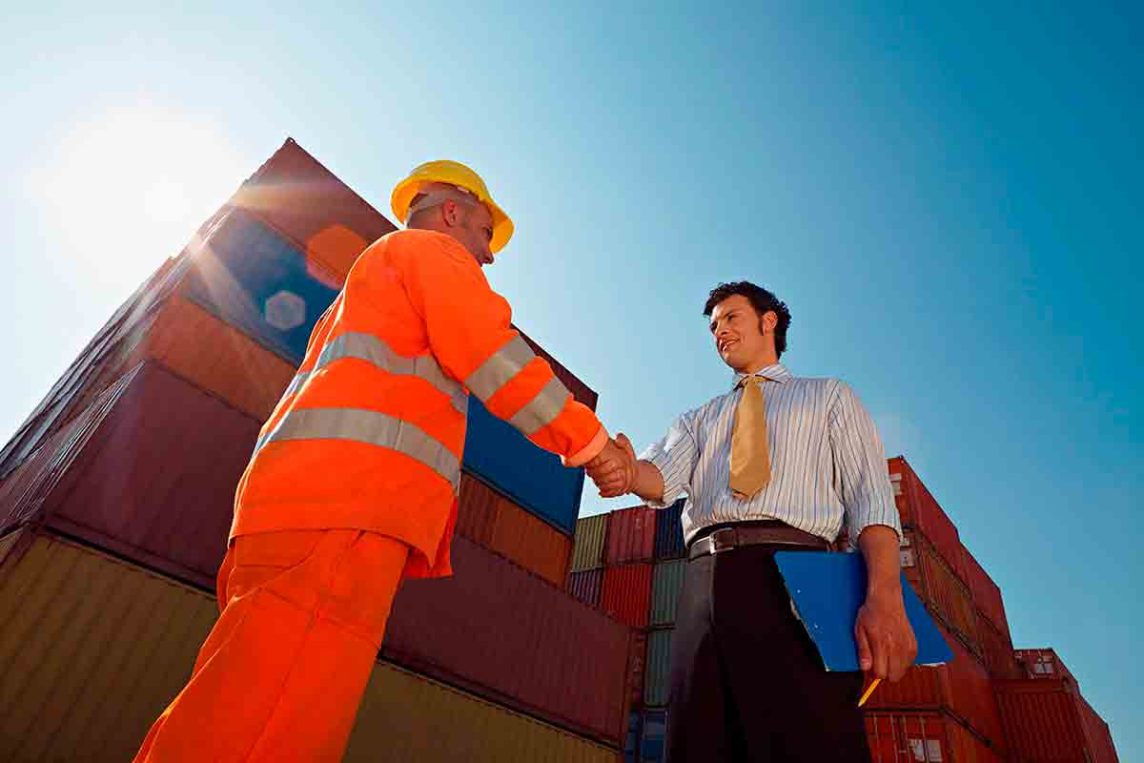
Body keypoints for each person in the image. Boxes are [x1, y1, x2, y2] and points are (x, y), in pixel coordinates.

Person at [134, 160, 630, 762]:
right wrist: (592, 445)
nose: (489, 256)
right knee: (276, 726)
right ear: (452, 211)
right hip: (347, 509)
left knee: (236, 701)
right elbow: (491, 354)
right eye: (484, 234)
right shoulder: (429, 253)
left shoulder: (363, 289)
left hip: (291, 509)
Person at [589, 281, 917, 762]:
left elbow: (872, 501)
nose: (719, 331)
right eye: (713, 327)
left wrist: (885, 597)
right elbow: (657, 477)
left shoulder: (828, 397)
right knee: (697, 746)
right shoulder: (698, 420)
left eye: (730, 317)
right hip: (704, 582)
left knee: (811, 744)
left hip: (796, 579)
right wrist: (624, 469)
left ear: (769, 322)